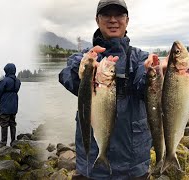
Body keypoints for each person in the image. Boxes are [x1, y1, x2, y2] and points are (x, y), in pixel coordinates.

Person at [59, 0, 159, 179]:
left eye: (119, 15)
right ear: (97, 20)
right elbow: (66, 76)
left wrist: (155, 73)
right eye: (106, 15)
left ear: (127, 20)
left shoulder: (140, 58)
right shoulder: (86, 57)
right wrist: (82, 71)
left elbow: (143, 86)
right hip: (91, 165)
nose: (113, 20)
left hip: (133, 163)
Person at [0, 63, 21, 146]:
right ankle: (13, 141)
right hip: (14, 105)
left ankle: (3, 141)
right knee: (12, 123)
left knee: (4, 123)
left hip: (5, 106)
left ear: (6, 70)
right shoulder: (18, 81)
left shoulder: (4, 80)